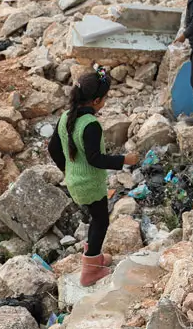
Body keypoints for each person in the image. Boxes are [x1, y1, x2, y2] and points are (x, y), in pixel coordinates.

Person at [48, 67, 140, 287]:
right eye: (105, 98)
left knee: (94, 217)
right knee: (100, 220)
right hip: (89, 184)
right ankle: (90, 271)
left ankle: (95, 257)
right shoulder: (90, 125)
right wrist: (124, 160)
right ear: (97, 100)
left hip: (75, 182)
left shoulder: (65, 117)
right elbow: (95, 159)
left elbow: (53, 148)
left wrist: (68, 170)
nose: (105, 102)